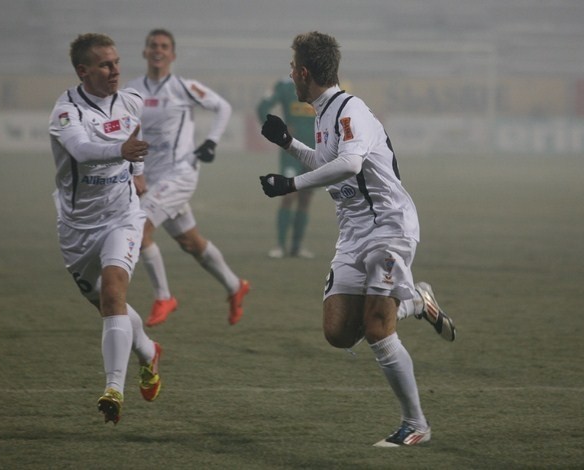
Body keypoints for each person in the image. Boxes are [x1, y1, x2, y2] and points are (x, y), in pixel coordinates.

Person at [258, 31, 457, 447]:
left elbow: (349, 165)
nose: (290, 73)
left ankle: (415, 424)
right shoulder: (322, 113)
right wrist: (287, 143)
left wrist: (290, 185)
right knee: (338, 332)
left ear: (305, 72)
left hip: (389, 227)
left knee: (377, 328)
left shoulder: (352, 110)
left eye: (293, 67)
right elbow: (329, 162)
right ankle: (417, 301)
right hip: (352, 234)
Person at [49, 33, 163, 425]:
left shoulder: (130, 100)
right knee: (107, 306)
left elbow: (135, 141)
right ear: (83, 71)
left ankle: (114, 388)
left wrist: (138, 174)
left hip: (122, 217)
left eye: (116, 62)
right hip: (77, 228)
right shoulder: (66, 112)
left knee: (115, 293)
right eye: (104, 65)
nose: (115, 70)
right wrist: (122, 153)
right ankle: (148, 350)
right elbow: (81, 150)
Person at [126, 29, 249, 328]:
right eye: (153, 45)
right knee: (190, 242)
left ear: (173, 55)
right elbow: (129, 131)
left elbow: (223, 106)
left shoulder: (183, 87)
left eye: (164, 46)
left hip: (180, 173)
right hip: (150, 179)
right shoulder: (132, 92)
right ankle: (235, 286)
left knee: (139, 231)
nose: (158, 50)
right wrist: (134, 172)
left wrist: (211, 142)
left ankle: (163, 297)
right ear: (144, 52)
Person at [257, 77, 316, 259]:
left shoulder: (322, 85)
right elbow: (262, 107)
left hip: (316, 151)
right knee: (288, 195)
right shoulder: (285, 86)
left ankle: (296, 247)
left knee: (305, 198)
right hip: (291, 151)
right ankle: (280, 245)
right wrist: (275, 130)